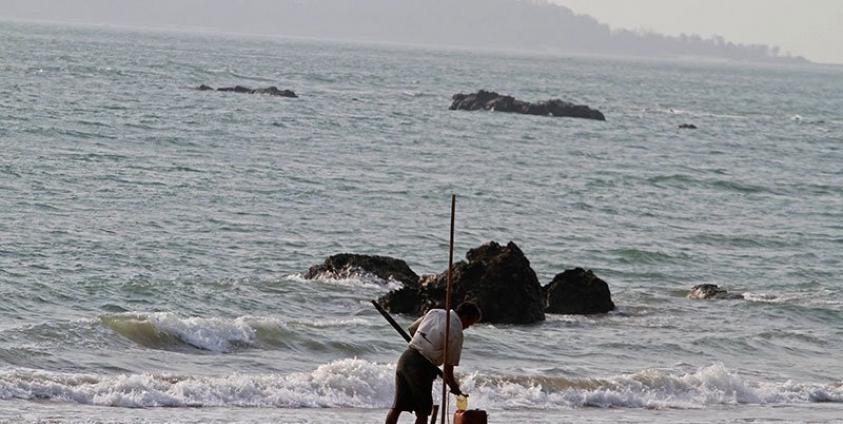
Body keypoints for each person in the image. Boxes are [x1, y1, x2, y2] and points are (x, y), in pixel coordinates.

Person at [385, 302, 482, 424]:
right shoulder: (456, 332)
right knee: (423, 411)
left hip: (406, 358)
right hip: (421, 368)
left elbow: (413, 330)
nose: (468, 327)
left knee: (397, 407)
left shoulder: (435, 312)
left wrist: (426, 344)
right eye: (470, 323)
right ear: (466, 317)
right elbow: (448, 370)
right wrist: (455, 389)